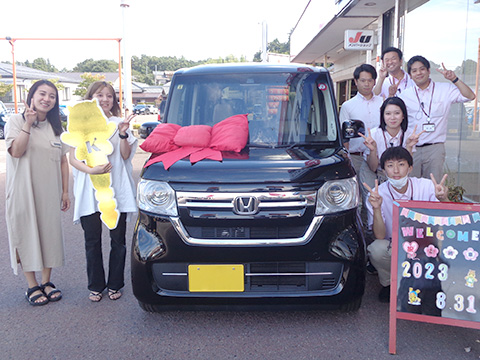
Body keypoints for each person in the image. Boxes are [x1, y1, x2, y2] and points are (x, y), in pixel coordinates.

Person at [68, 81, 137, 302]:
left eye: (109, 96)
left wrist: (124, 134)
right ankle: (96, 285)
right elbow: (73, 157)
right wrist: (92, 170)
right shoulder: (80, 123)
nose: (105, 99)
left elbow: (126, 156)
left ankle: (115, 284)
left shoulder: (119, 124)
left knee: (118, 240)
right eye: (100, 94)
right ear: (91, 97)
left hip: (116, 191)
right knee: (92, 240)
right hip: (90, 190)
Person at [5, 80, 70, 306]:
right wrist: (28, 124)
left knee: (48, 234)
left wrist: (64, 192)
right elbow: (16, 151)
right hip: (23, 191)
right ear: (31, 96)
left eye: (52, 96)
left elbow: (63, 162)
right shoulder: (15, 121)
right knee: (25, 234)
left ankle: (46, 281)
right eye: (42, 94)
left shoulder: (56, 129)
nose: (47, 99)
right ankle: (32, 285)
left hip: (50, 191)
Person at [363, 146, 449, 302]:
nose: (396, 170)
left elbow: (447, 219)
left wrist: (443, 199)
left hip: (427, 244)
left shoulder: (427, 186)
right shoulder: (376, 194)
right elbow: (380, 235)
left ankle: (429, 282)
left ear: (410, 168)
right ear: (383, 170)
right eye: (390, 165)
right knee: (376, 248)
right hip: (395, 245)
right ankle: (389, 284)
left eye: (401, 164)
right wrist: (377, 208)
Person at [399, 55, 476, 180]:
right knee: (410, 186)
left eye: (422, 69)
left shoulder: (444, 89)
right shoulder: (405, 95)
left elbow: (470, 96)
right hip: (412, 148)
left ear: (429, 71)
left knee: (433, 187)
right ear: (410, 75)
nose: (418, 73)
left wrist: (454, 79)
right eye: (414, 70)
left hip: (435, 148)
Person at [339, 64, 384, 223]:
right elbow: (344, 136)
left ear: (374, 81)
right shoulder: (348, 106)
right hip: (356, 157)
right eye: (363, 80)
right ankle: (359, 228)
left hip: (380, 156)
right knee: (356, 196)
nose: (366, 84)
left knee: (375, 194)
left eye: (370, 80)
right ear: (356, 82)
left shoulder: (383, 102)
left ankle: (373, 227)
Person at [358, 97, 423, 178]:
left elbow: (407, 166)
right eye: (388, 114)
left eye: (397, 113)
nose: (392, 117)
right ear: (383, 116)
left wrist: (409, 147)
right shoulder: (374, 134)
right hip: (377, 174)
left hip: (399, 176)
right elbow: (372, 167)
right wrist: (373, 150)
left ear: (403, 115)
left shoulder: (409, 134)